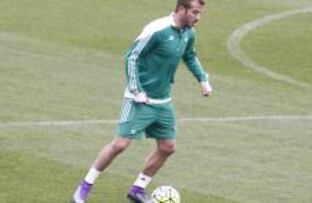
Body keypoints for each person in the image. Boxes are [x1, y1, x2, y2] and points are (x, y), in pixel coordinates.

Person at [72, 0, 212, 202]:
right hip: (139, 100)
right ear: (181, 9)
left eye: (200, 13)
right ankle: (84, 186)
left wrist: (203, 79)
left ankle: (138, 189)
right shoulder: (157, 30)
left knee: (167, 147)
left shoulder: (189, 33)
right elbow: (131, 57)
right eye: (195, 12)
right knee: (120, 144)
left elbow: (189, 55)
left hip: (163, 102)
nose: (198, 17)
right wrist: (136, 90)